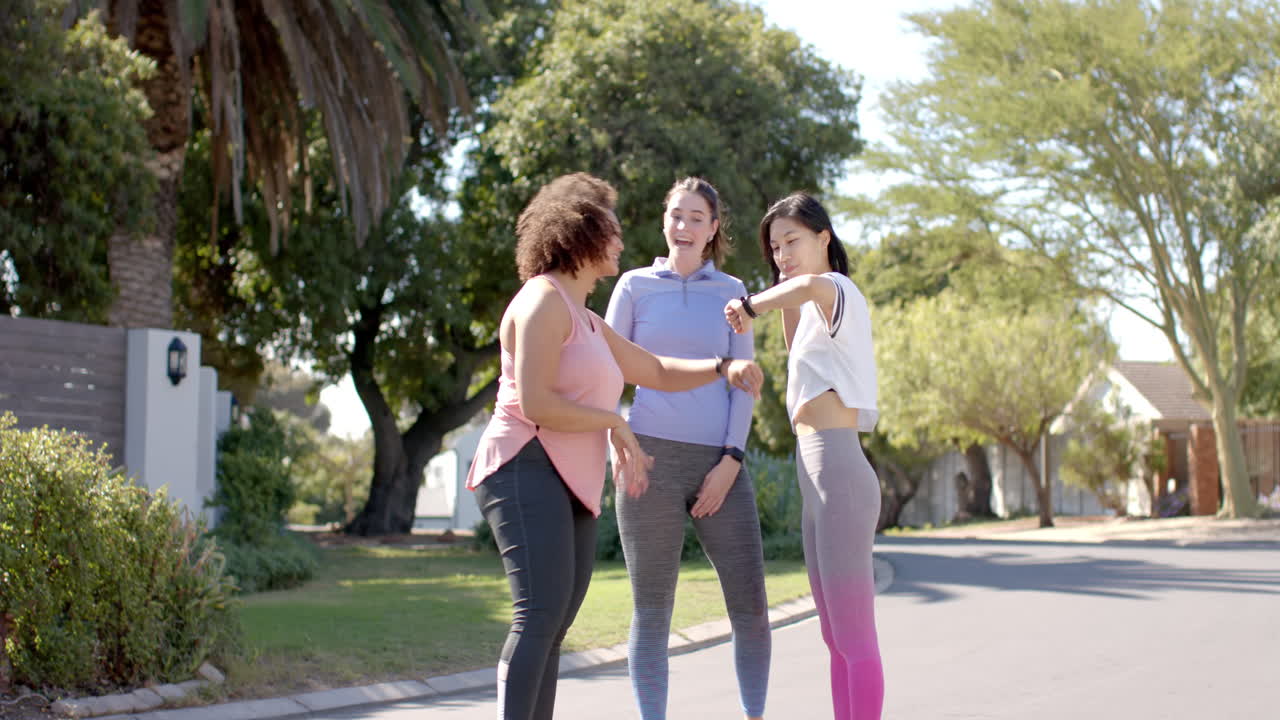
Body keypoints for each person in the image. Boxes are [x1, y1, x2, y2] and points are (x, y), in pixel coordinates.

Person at [465, 172, 763, 720]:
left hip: (568, 479)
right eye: (613, 232)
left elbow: (654, 368)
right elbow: (534, 402)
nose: (622, 244)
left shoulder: (587, 319)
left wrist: (726, 365)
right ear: (583, 232)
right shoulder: (542, 301)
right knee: (537, 615)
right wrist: (616, 423)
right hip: (522, 464)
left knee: (556, 620)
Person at [604, 177, 769, 720]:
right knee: (652, 611)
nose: (684, 226)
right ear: (664, 220)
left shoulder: (733, 292)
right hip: (648, 460)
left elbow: (745, 384)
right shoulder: (632, 286)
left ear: (713, 228)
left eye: (697, 217)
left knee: (750, 608)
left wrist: (731, 461)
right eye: (677, 215)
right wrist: (618, 441)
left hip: (718, 464)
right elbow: (606, 372)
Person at [724, 192, 883, 720]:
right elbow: (796, 298)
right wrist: (778, 293)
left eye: (792, 240)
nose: (782, 253)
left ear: (824, 237)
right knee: (834, 635)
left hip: (838, 470)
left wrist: (751, 304)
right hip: (814, 472)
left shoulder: (837, 288)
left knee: (855, 636)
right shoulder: (810, 312)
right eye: (774, 247)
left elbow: (811, 284)